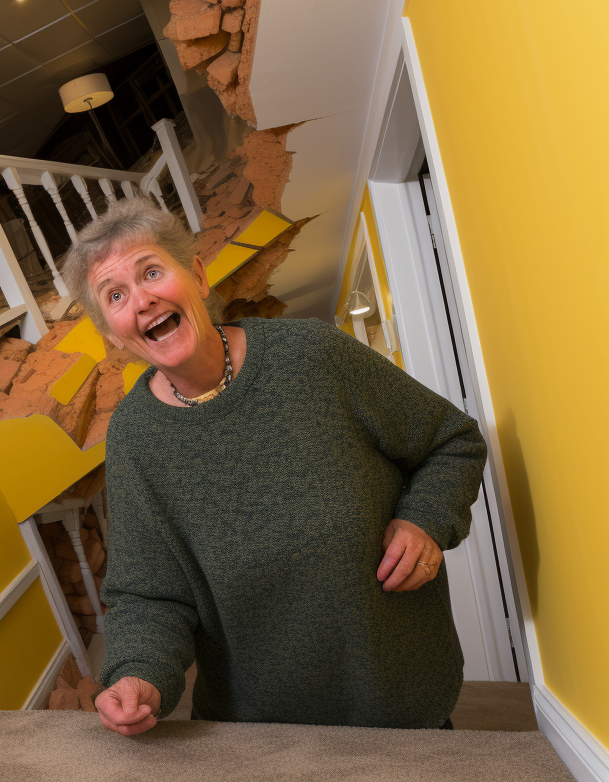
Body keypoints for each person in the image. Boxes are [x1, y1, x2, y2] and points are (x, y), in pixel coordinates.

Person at [61, 197, 487, 735]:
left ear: (196, 275)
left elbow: (453, 441)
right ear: (114, 334)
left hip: (400, 705)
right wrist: (138, 674)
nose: (142, 300)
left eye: (151, 272)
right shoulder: (134, 438)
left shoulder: (313, 355)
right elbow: (150, 593)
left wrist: (425, 518)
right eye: (116, 295)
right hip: (259, 735)